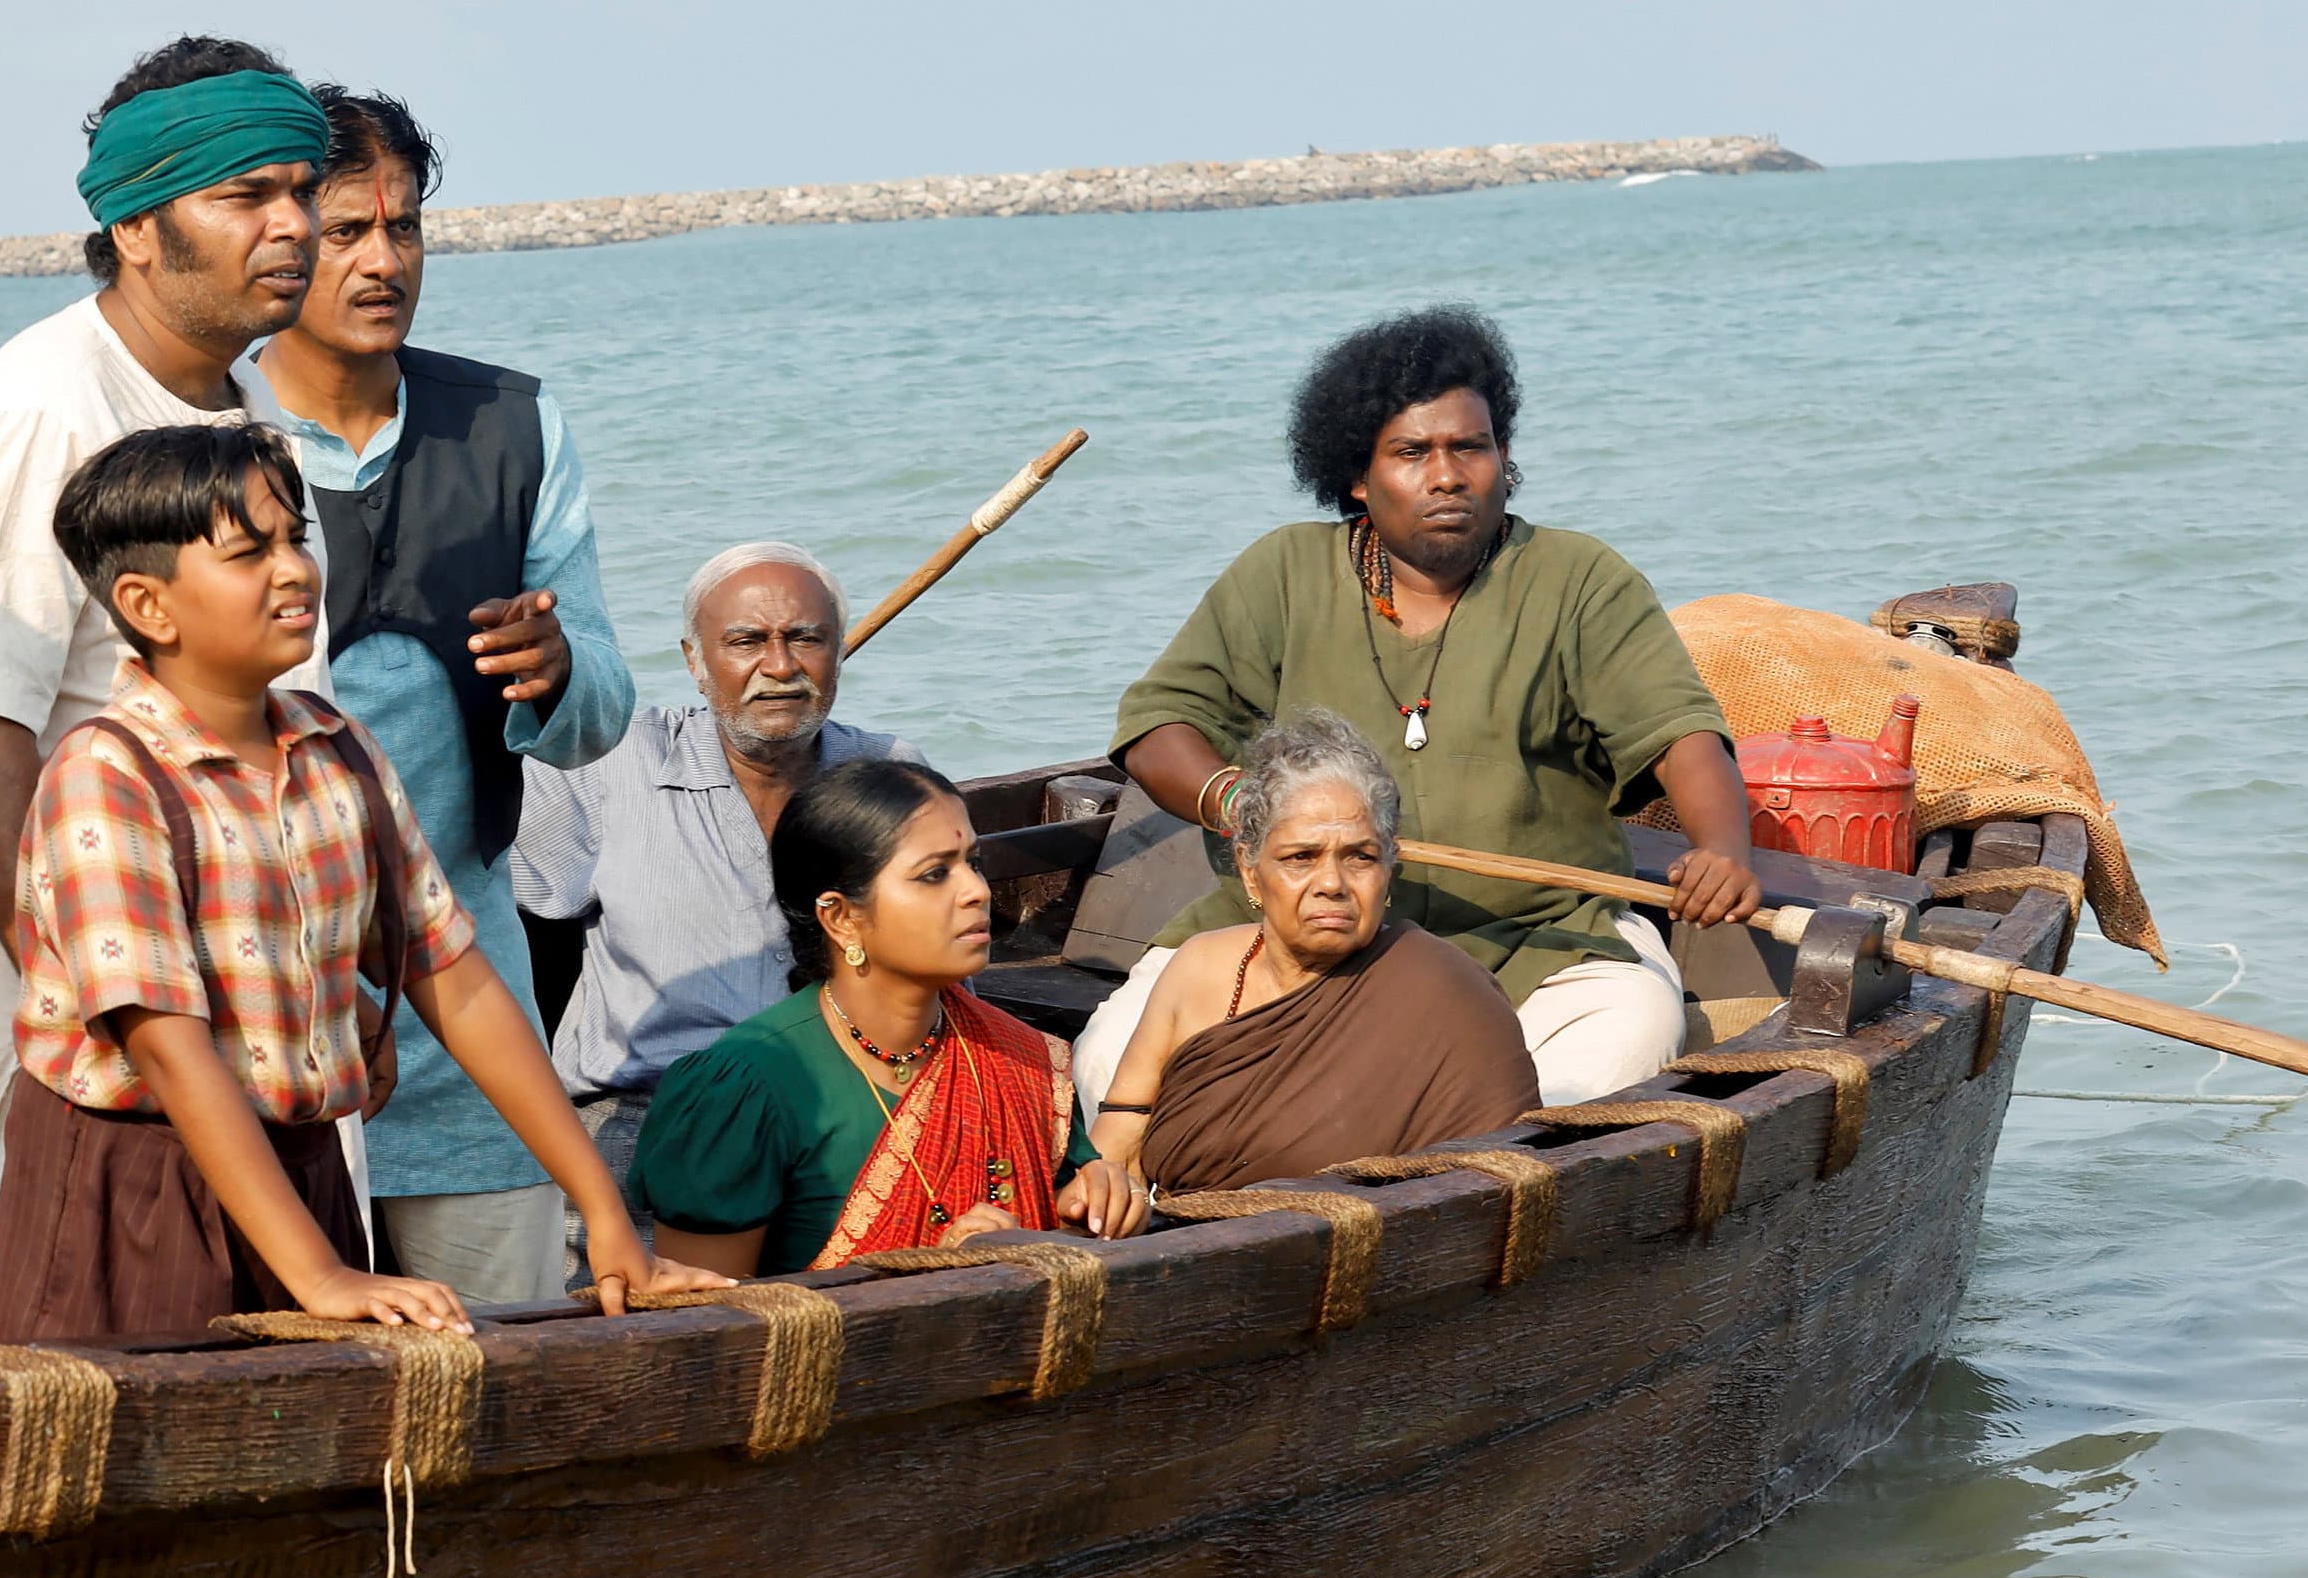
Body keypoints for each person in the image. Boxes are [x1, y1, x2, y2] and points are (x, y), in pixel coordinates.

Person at [0, 425, 713, 1344]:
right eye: (249, 553)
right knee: (139, 1449)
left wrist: (603, 1210)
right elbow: (171, 1050)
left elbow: (457, 978)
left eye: (295, 539)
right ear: (148, 605)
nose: (293, 570)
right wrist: (321, 1276)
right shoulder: (106, 776)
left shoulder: (339, 750)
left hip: (304, 1167)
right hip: (138, 1182)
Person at [0, 36, 330, 1338]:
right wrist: (109, 1040)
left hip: (216, 1043)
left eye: (300, 190)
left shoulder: (241, 414)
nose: (294, 227)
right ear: (137, 228)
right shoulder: (42, 408)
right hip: (65, 1062)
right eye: (245, 196)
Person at [1077, 305, 1761, 1111]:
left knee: (1626, 1043)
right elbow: (1160, 724)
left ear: (1503, 460)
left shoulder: (1580, 578)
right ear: (1358, 478)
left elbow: (1682, 734)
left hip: (1540, 943)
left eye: (1469, 447)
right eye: (1411, 452)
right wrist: (1239, 803)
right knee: (1109, 1064)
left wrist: (1721, 849)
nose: (1446, 475)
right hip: (1292, 938)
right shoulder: (1282, 572)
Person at [238, 86, 637, 1309]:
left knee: (507, 1385)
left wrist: (557, 675)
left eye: (403, 228)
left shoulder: (511, 427)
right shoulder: (210, 427)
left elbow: (605, 703)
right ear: (285, 241)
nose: (381, 261)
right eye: (346, 231)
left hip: (475, 1038)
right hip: (269, 1043)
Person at [629, 758, 1145, 1278]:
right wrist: (930, 1278)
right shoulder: (739, 1091)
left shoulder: (1023, 1062)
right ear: (842, 917)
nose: (977, 891)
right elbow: (708, 1324)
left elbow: (1065, 1228)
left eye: (974, 863)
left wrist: (1095, 1214)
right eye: (934, 874)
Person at [514, 544, 919, 1189]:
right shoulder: (604, 763)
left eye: (806, 639)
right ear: (695, 662)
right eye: (746, 641)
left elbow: (940, 972)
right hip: (647, 1111)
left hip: (851, 1106)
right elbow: (532, 933)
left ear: (838, 652)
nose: (780, 666)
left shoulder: (893, 775)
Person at [1089, 710, 1540, 1192]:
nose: (1332, 884)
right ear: (1249, 869)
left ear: (1388, 870)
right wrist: (1105, 1202)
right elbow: (1118, 1146)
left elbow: (1490, 1187)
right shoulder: (1197, 968)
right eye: (1301, 858)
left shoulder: (1447, 994)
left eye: (1360, 858)